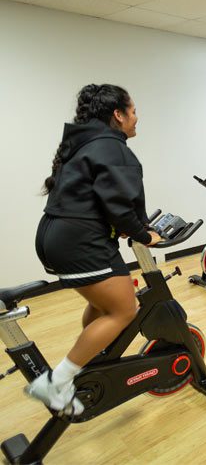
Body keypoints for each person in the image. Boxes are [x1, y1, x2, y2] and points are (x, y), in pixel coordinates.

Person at [28, 84, 162, 415]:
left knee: (105, 306)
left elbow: (102, 199)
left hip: (53, 235)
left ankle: (92, 355)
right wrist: (144, 235)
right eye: (132, 111)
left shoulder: (84, 143)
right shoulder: (112, 148)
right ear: (118, 115)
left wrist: (135, 227)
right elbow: (118, 205)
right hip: (79, 241)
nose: (136, 118)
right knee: (124, 311)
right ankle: (56, 381)